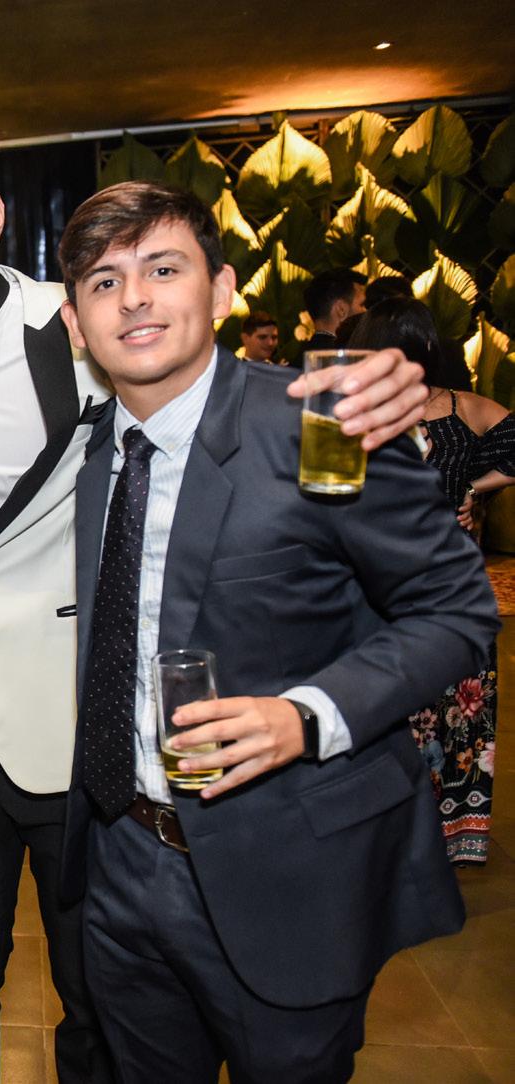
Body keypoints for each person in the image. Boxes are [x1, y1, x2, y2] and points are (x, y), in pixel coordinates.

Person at [0, 108, 428, 1084]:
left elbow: (218, 395)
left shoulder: (92, 315)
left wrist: (373, 397)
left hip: (87, 718)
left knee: (99, 996)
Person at [55, 180, 498, 1083]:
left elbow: (456, 610)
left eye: (162, 268)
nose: (132, 298)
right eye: (103, 281)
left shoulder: (323, 424)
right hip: (120, 859)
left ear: (221, 291)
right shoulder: (89, 449)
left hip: (287, 871)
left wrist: (305, 716)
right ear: (74, 324)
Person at [352, 295, 513, 865]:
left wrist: (476, 488)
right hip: (382, 588)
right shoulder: (354, 411)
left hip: (452, 588)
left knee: (460, 710)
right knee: (398, 712)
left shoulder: (460, 406)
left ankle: (449, 836)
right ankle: (394, 837)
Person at [302, 267, 367, 351]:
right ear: (341, 309)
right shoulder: (348, 355)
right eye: (362, 305)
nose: (366, 311)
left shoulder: (305, 353)